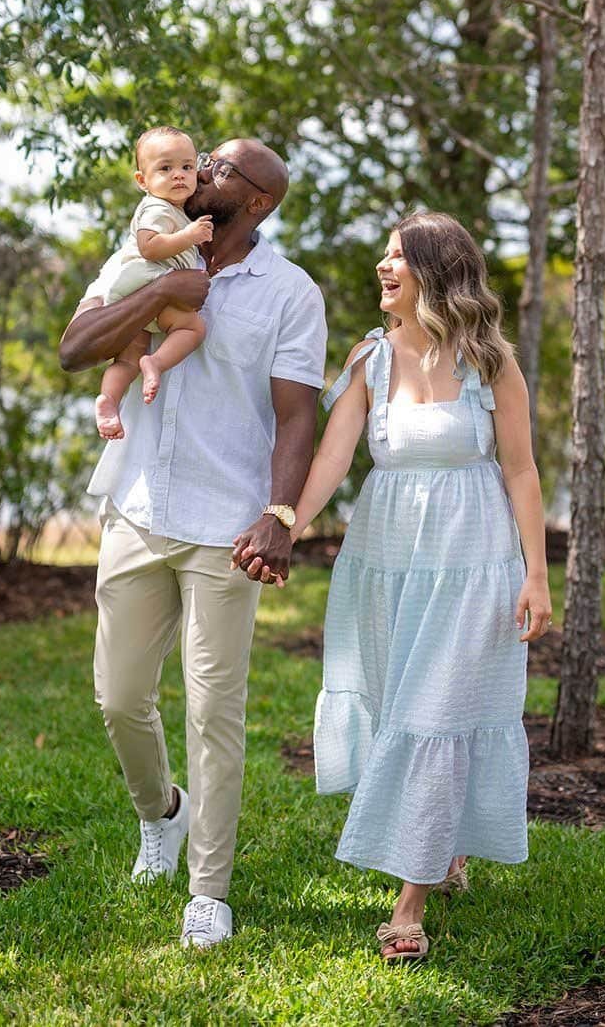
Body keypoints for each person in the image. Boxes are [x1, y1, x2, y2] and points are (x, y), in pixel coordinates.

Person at [241, 210, 550, 963]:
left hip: (474, 557)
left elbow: (521, 469)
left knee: (434, 710)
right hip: (386, 556)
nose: (384, 269)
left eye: (398, 259)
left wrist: (538, 575)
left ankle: (409, 900)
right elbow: (332, 461)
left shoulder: (490, 363)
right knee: (394, 707)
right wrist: (283, 522)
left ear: (435, 273)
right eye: (383, 257)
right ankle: (441, 847)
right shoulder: (370, 359)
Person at [59, 139, 327, 949]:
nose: (199, 172)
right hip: (137, 507)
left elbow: (296, 416)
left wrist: (279, 514)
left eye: (217, 169)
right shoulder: (141, 249)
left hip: (225, 528)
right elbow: (75, 349)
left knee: (214, 712)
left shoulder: (290, 293)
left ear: (256, 203)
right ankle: (162, 815)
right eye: (198, 162)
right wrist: (165, 291)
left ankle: (208, 891)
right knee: (118, 695)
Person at [94, 126, 214, 440]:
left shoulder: (172, 209)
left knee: (127, 357)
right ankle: (157, 363)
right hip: (147, 282)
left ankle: (108, 399)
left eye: (187, 167)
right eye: (165, 168)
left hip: (135, 292)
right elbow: (150, 246)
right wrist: (189, 236)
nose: (179, 175)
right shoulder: (156, 207)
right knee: (193, 328)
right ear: (142, 181)